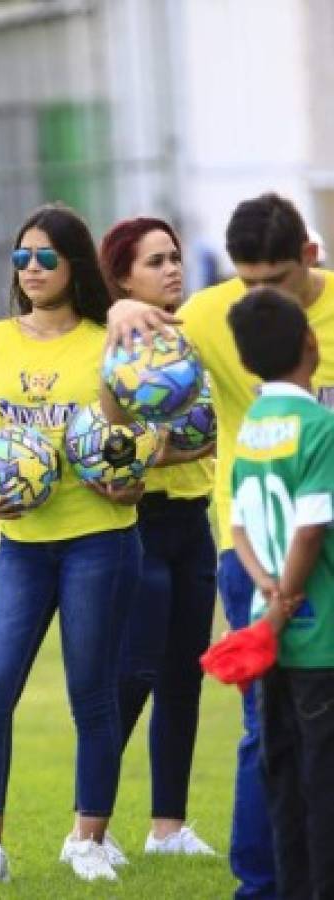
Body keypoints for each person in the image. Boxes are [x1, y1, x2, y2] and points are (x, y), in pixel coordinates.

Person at [105, 193, 334, 899]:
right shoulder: (209, 311)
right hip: (257, 552)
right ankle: (261, 885)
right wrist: (116, 310)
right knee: (263, 727)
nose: (259, 303)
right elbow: (123, 362)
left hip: (306, 543)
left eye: (274, 284)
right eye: (247, 284)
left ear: (309, 257)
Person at [0, 204, 144, 886]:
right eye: (20, 258)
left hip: (99, 539)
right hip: (20, 545)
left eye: (44, 257)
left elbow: (134, 437)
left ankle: (87, 838)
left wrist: (132, 473)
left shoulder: (105, 340)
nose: (30, 269)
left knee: (91, 695)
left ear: (74, 265)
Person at [96, 217, 216, 856]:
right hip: (137, 526)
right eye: (154, 261)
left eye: (175, 256)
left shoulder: (199, 334)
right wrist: (117, 308)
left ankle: (168, 827)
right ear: (120, 277)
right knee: (133, 672)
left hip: (195, 523)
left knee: (183, 676)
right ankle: (90, 827)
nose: (172, 268)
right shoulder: (107, 345)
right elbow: (105, 449)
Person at [225, 289, 334, 899]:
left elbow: (239, 525)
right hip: (319, 640)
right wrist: (286, 598)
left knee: (284, 782)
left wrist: (265, 588)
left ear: (245, 366)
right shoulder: (320, 427)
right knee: (325, 790)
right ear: (311, 344)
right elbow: (312, 527)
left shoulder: (253, 429)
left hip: (271, 648)